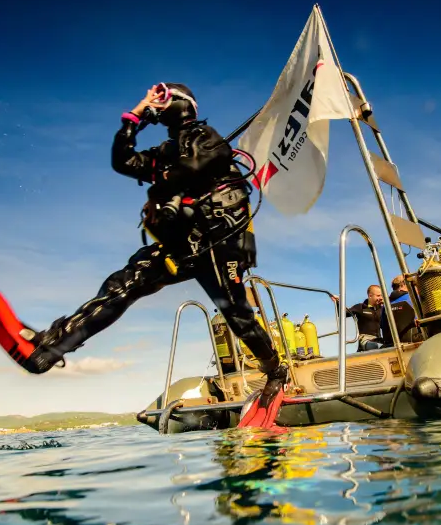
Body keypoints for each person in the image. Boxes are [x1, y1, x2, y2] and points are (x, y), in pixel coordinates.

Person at [17, 83, 288, 405]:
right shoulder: (163, 154)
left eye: (160, 100)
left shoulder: (206, 138)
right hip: (182, 246)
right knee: (123, 285)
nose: (154, 106)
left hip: (220, 242)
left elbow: (194, 166)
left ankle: (274, 370)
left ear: (180, 104)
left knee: (237, 315)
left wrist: (166, 180)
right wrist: (132, 119)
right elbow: (123, 161)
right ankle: (53, 346)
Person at [379, 275, 422, 345]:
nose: (416, 288)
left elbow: (382, 325)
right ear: (404, 284)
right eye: (414, 285)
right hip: (416, 340)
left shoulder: (386, 304)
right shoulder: (414, 298)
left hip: (392, 344)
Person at [348, 285, 384, 351]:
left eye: (382, 295)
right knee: (379, 346)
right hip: (365, 339)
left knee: (388, 346)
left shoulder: (382, 309)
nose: (381, 298)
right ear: (370, 296)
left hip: (379, 339)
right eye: (378, 296)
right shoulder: (360, 307)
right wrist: (338, 302)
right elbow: (344, 313)